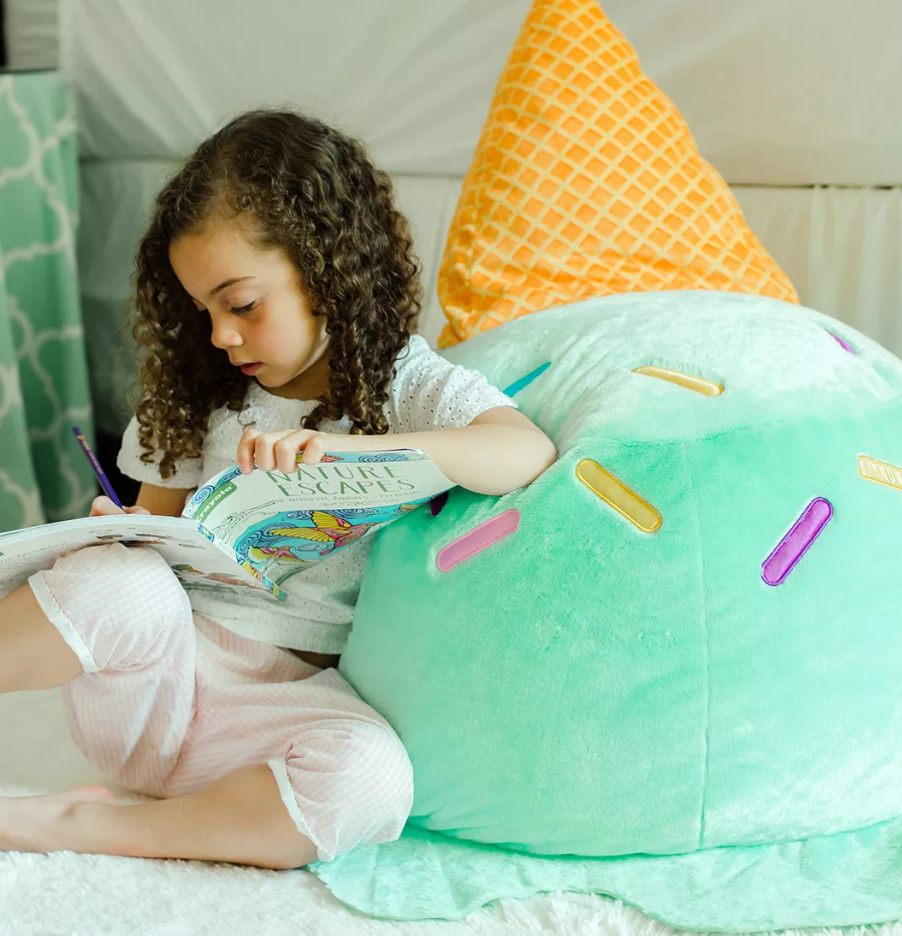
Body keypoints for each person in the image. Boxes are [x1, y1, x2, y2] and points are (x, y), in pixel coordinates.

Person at [0, 110, 557, 869]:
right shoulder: (200, 395)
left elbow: (523, 448)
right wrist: (117, 533)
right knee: (124, 582)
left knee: (373, 778)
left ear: (325, 265)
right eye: (204, 312)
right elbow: (145, 532)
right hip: (154, 685)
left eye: (242, 304)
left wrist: (352, 451)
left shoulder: (404, 384)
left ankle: (82, 825)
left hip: (271, 715)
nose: (221, 336)